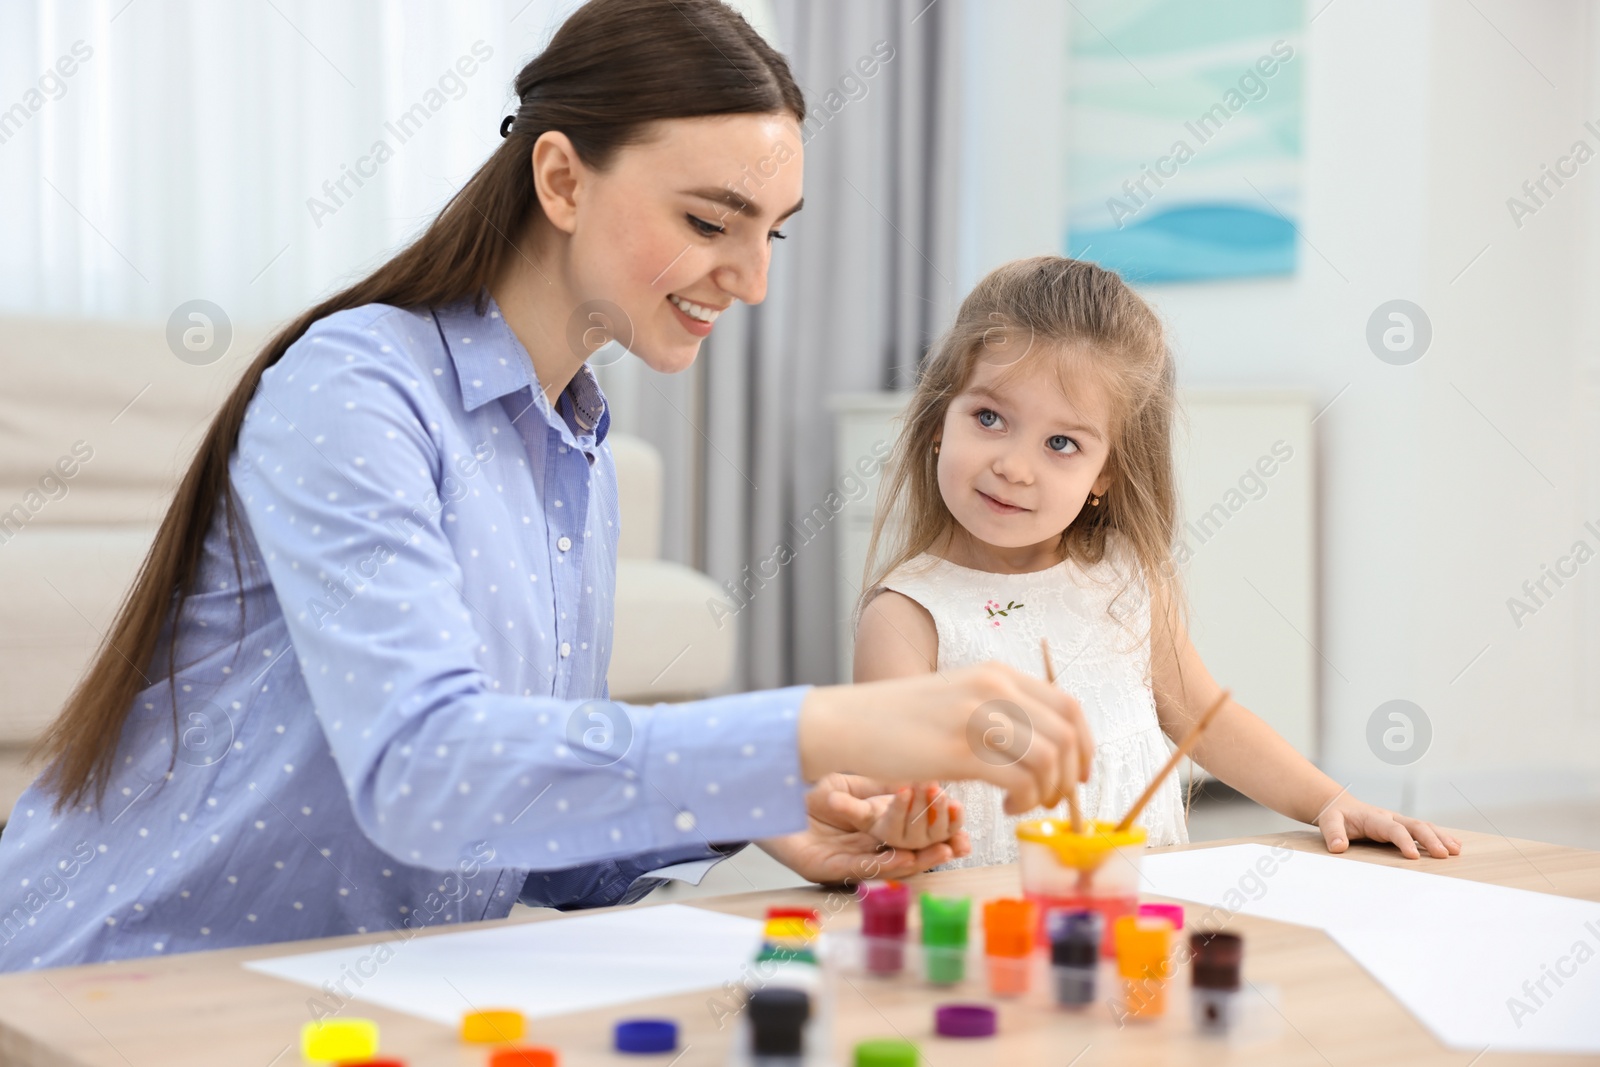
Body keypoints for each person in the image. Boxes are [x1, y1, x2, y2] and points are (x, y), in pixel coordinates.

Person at [0, 0, 1087, 972]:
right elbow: (427, 773)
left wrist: (768, 812)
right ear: (561, 178)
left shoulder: (575, 447)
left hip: (340, 997)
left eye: (772, 235)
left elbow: (499, 810)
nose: (751, 280)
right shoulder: (356, 386)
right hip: (118, 988)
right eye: (711, 222)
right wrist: (832, 725)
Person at [854, 255, 1464, 868]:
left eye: (1061, 443)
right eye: (989, 418)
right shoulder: (907, 616)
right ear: (939, 422)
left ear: (1106, 474)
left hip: (1141, 919)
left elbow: (1206, 719)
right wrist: (900, 816)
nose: (1014, 466)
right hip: (994, 933)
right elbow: (892, 799)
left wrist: (1330, 801)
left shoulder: (1124, 580)